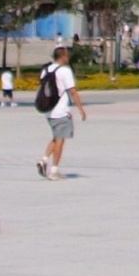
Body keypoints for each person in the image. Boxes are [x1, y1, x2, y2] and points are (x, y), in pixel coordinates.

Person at [36, 44, 86, 178]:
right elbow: (73, 91)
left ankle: (44, 160)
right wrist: (81, 109)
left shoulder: (45, 70)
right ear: (62, 57)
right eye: (67, 55)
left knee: (56, 137)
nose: (68, 57)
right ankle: (54, 171)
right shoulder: (65, 71)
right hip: (61, 111)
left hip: (49, 110)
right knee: (60, 139)